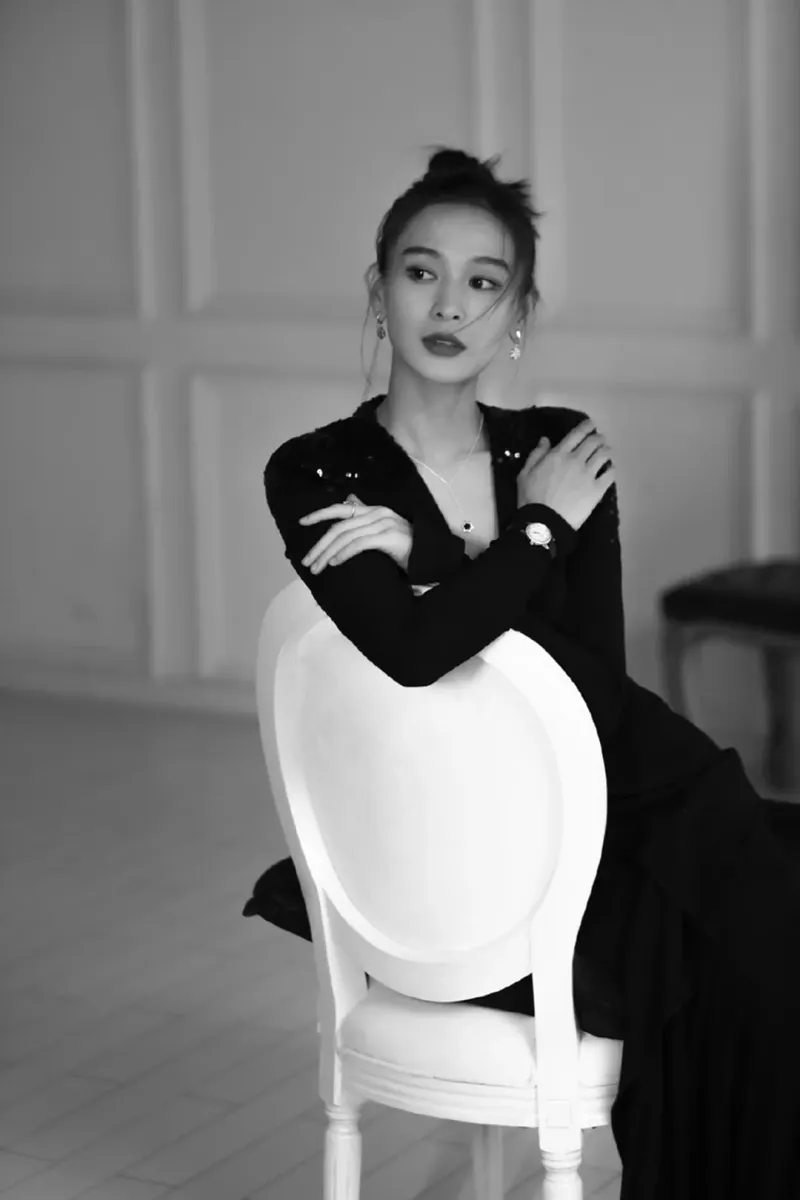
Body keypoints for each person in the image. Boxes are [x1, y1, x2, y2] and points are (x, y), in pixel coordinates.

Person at [244, 146, 800, 1198]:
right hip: (462, 853)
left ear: (517, 312)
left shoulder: (561, 446)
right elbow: (415, 655)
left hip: (624, 798)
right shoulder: (316, 470)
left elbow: (586, 691)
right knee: (741, 946)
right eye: (420, 272)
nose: (448, 304)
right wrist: (537, 532)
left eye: (483, 281)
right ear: (378, 291)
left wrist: (433, 570)